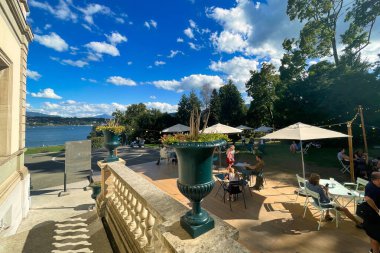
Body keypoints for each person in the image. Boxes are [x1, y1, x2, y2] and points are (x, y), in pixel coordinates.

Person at [363, 172, 380, 253]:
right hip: (372, 215)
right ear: (376, 179)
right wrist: (377, 210)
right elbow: (368, 199)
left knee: (374, 236)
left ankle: (373, 250)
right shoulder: (370, 187)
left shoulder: (376, 185)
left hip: (375, 215)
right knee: (375, 237)